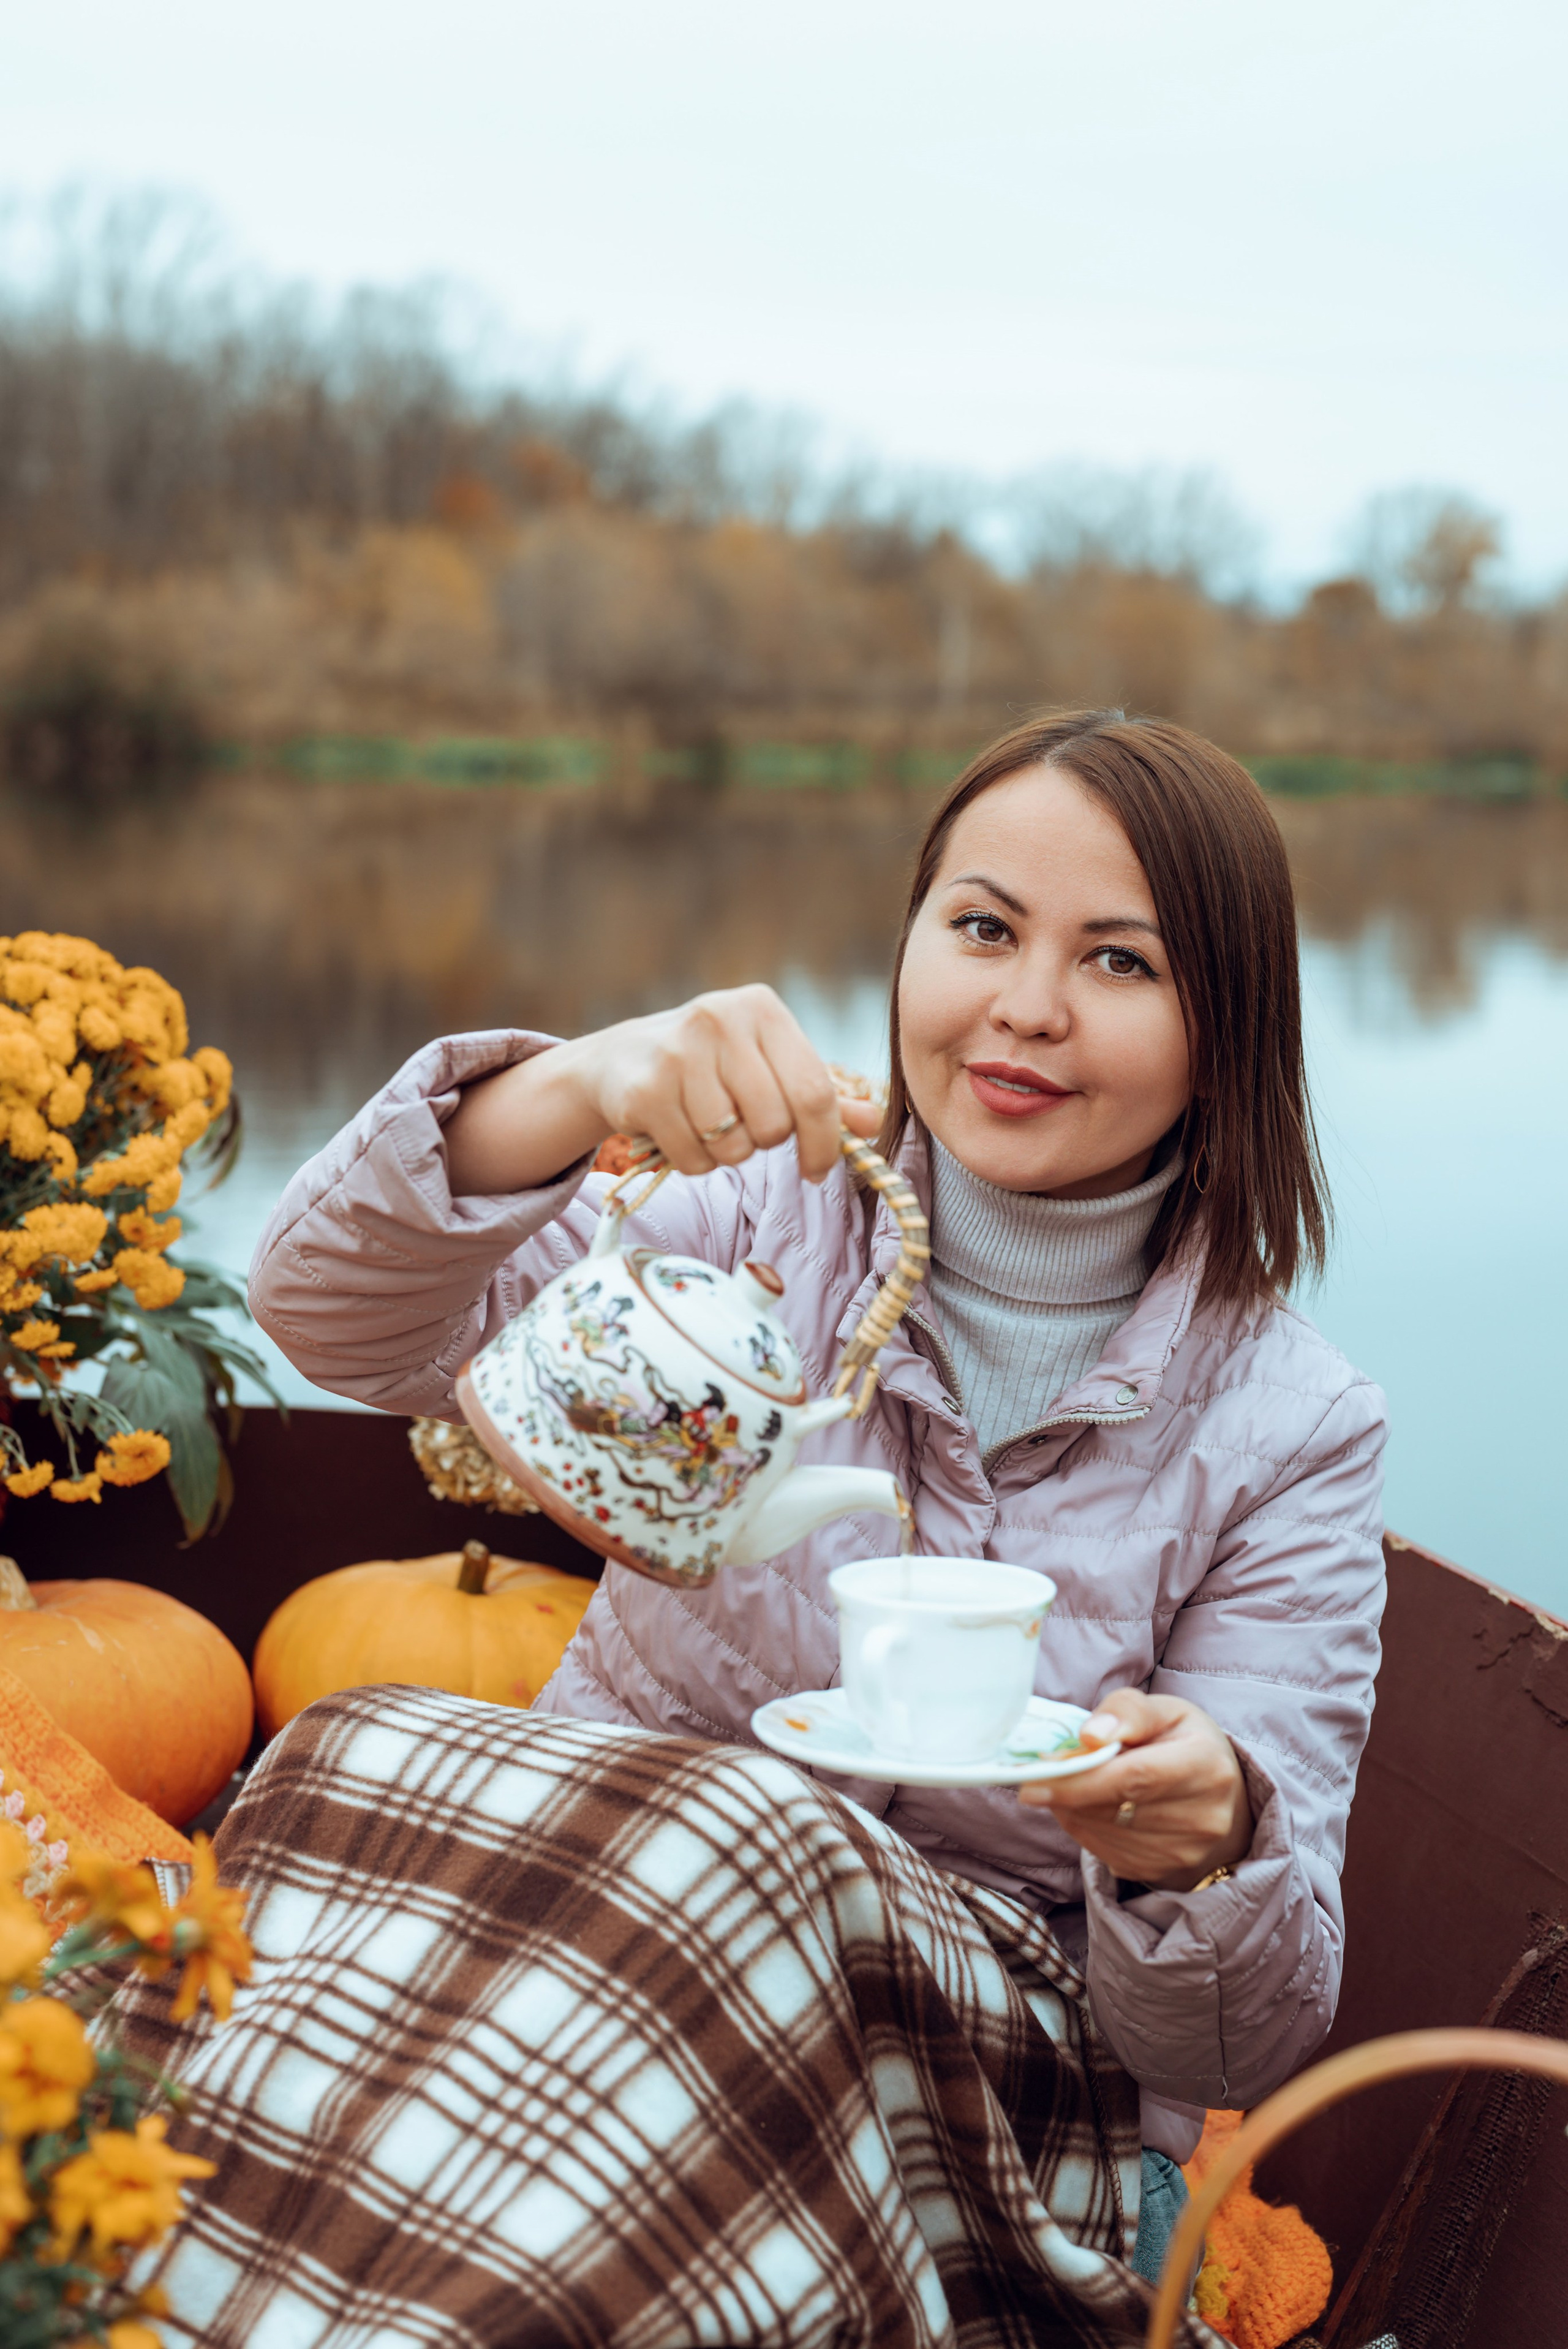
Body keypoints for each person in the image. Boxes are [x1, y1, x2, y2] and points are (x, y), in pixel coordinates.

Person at [148, 711, 1387, 2344]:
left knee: (752, 1842)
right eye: (986, 927)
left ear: (1229, 1031)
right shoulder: (760, 1205)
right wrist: (573, 1083)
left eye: (1122, 961)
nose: (1025, 1003)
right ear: (910, 945)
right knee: (353, 1747)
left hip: (975, 2090)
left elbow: (1236, 2045)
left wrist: (1211, 1843)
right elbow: (332, 1313)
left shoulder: (1290, 1427)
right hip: (596, 1940)